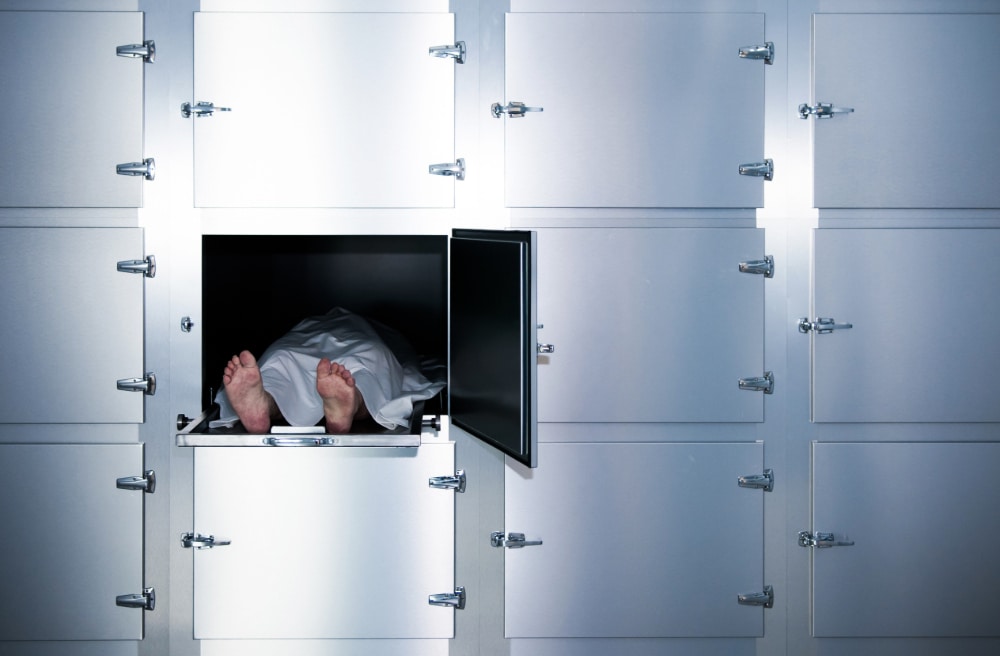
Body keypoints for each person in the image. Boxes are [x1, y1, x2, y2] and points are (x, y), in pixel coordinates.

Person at [213, 307, 445, 434]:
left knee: (283, 362)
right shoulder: (384, 331)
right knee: (367, 364)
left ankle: (268, 402)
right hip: (315, 340)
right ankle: (349, 405)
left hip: (312, 343)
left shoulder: (375, 329)